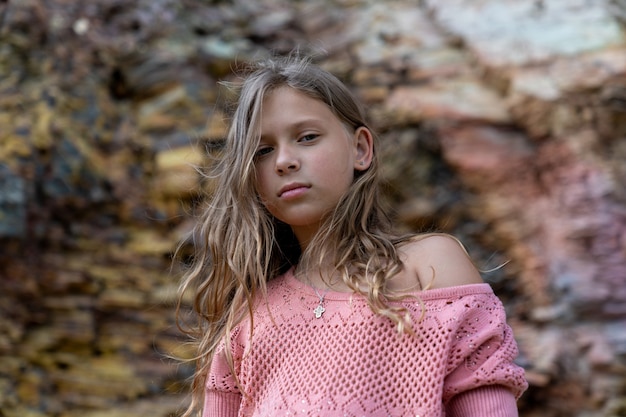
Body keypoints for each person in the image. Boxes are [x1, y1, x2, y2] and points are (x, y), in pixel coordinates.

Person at [176, 54, 528, 417]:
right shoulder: (249, 315)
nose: (284, 161)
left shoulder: (428, 267)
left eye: (307, 137)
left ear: (360, 149)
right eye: (263, 151)